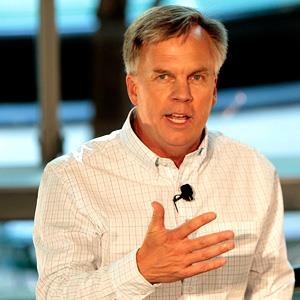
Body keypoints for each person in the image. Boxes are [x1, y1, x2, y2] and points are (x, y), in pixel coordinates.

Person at [33, 5, 295, 299]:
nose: (182, 94)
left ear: (214, 89)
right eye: (164, 77)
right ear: (134, 89)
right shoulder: (70, 178)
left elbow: (272, 286)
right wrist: (141, 270)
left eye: (196, 77)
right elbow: (55, 293)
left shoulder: (254, 170)